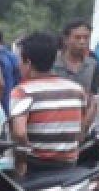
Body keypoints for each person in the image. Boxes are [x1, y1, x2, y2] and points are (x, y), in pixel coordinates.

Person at [9, 31, 87, 175]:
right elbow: (81, 128)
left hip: (37, 166)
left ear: (28, 63)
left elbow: (19, 133)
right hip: (69, 164)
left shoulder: (22, 92)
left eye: (19, 60)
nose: (18, 65)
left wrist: (21, 163)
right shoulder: (77, 90)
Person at [52, 19, 99, 126]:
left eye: (86, 38)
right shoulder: (52, 62)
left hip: (81, 123)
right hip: (54, 122)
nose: (82, 42)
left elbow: (94, 98)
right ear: (66, 40)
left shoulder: (93, 64)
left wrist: (84, 127)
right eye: (77, 38)